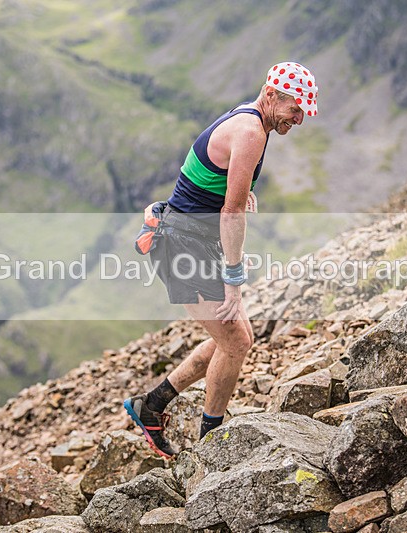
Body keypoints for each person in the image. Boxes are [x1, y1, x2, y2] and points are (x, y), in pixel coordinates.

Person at [125, 62, 318, 458]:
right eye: (295, 109)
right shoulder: (251, 132)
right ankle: (210, 445)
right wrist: (233, 280)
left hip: (191, 239)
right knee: (235, 341)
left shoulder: (250, 120)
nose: (298, 119)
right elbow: (232, 214)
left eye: (303, 112)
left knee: (233, 338)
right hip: (182, 246)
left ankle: (151, 405)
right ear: (270, 95)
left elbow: (216, 178)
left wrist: (235, 191)